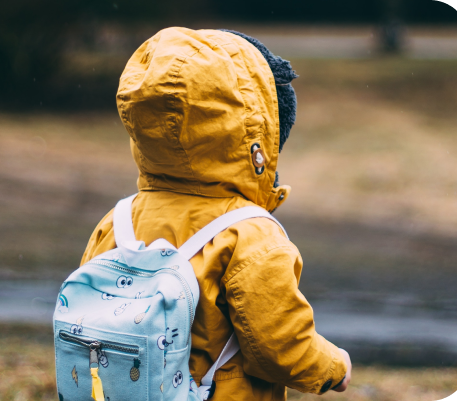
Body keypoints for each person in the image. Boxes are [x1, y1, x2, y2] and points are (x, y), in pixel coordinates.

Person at [80, 27, 352, 400]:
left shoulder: (119, 220)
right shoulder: (249, 235)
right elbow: (279, 345)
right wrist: (334, 367)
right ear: (255, 130)